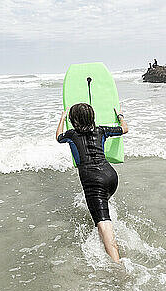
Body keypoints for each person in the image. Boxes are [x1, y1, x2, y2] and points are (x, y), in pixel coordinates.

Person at [55, 103, 128, 263]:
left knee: (103, 223)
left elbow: (58, 137)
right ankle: (108, 239)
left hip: (93, 182)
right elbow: (124, 129)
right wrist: (120, 116)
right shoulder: (101, 130)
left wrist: (61, 119)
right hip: (111, 176)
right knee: (101, 212)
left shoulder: (71, 134)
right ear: (92, 117)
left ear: (73, 120)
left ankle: (118, 267)